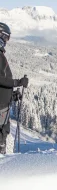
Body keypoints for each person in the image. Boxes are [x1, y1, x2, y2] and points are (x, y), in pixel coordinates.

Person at [0, 23, 29, 154]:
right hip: (0, 108)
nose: (6, 41)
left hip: (3, 106)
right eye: (6, 38)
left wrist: (12, 95)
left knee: (3, 135)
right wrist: (18, 82)